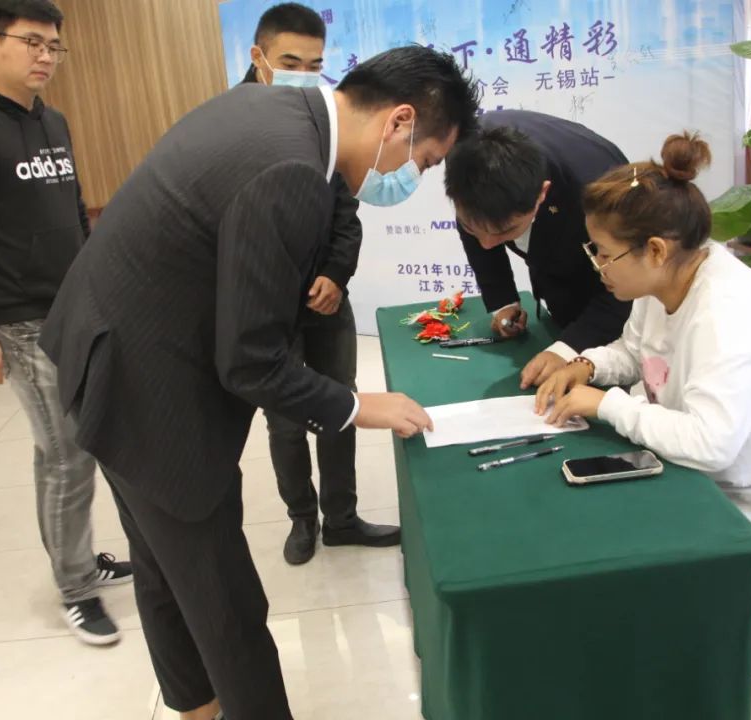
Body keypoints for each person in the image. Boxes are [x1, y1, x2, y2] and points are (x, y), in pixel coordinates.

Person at [39, 46, 479, 720]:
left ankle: (197, 708)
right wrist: (357, 405)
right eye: (423, 160)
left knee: (162, 569)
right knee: (226, 603)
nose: (409, 175)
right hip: (147, 393)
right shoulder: (292, 170)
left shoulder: (273, 108)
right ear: (398, 121)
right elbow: (249, 362)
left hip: (103, 353)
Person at [535, 132, 751, 580]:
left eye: (603, 253)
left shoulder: (725, 312)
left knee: (628, 575)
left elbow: (711, 444)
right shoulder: (666, 279)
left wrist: (606, 405)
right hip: (712, 483)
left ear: (656, 250)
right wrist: (587, 366)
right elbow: (636, 350)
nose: (597, 264)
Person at [0, 0, 131, 646]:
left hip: (73, 307)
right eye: (32, 42)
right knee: (67, 451)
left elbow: (72, 212)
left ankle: (79, 559)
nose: (46, 56)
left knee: (71, 446)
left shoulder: (53, 121)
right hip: (17, 321)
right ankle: (76, 588)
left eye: (54, 46)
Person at [243, 3, 400, 565]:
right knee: (285, 421)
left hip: (328, 300)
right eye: (291, 63)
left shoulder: (322, 121)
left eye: (315, 66)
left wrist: (335, 273)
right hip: (269, 307)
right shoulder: (234, 126)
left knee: (340, 405)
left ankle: (341, 518)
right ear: (258, 57)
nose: (304, 77)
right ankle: (301, 519)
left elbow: (345, 212)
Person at [443, 111, 632, 389]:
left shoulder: (600, 193)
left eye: (506, 231)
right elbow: (478, 222)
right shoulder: (466, 158)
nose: (487, 244)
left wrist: (568, 348)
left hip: (603, 279)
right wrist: (503, 300)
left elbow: (625, 289)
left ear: (541, 193)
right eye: (473, 229)